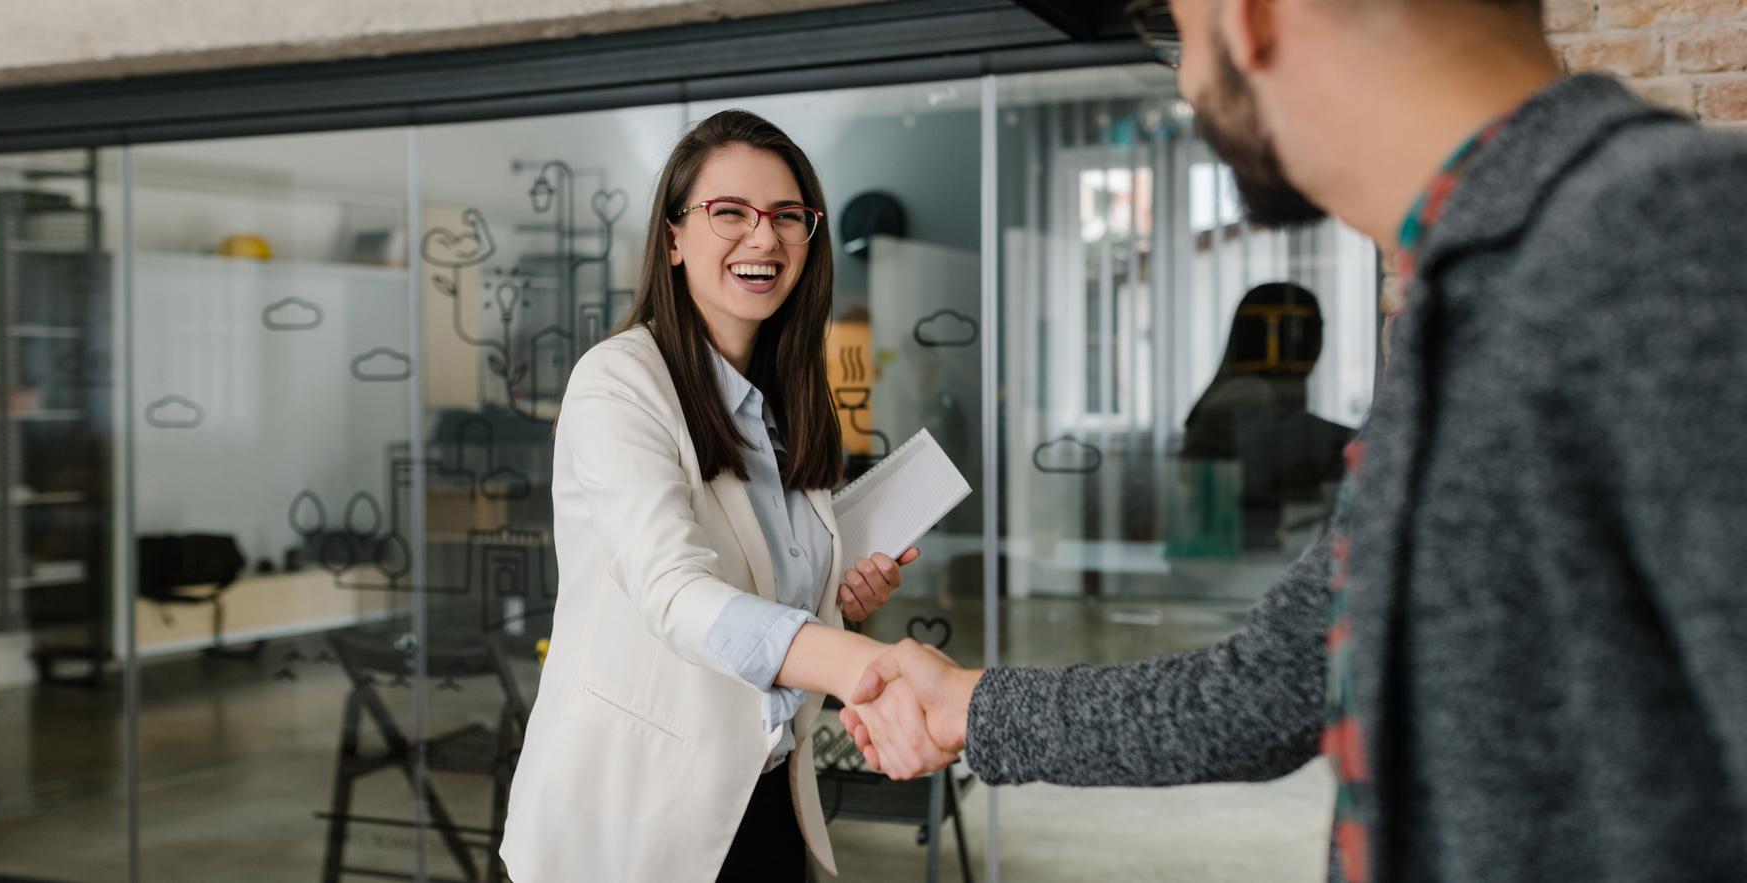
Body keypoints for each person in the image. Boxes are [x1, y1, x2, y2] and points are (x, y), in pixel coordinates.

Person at [842, 0, 1747, 880]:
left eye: (1177, 33)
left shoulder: (1677, 238)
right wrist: (970, 703)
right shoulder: (1465, 301)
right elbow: (1267, 690)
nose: (1190, 79)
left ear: (1254, 18)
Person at [499, 109, 923, 883]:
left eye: (787, 217)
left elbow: (760, 585)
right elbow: (674, 589)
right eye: (729, 213)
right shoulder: (619, 380)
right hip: (632, 821)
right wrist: (858, 662)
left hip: (762, 798)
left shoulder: (786, 399)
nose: (763, 239)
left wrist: (837, 586)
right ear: (672, 238)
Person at [1181, 281, 1353, 548]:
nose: (1318, 341)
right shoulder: (1249, 392)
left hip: (1253, 548)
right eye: (1312, 329)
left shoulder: (1251, 390)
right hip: (1236, 560)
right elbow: (1268, 470)